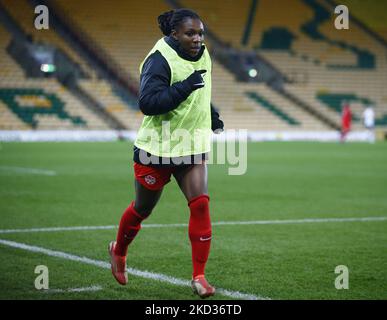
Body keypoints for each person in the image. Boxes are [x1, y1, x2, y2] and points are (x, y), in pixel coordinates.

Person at [108, 8, 224, 299]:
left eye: (200, 33)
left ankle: (199, 276)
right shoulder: (159, 59)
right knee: (142, 209)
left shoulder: (204, 53)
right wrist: (185, 87)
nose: (197, 38)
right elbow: (148, 103)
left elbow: (201, 92)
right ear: (174, 34)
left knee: (200, 204)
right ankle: (119, 250)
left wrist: (211, 115)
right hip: (155, 150)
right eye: (190, 33)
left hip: (191, 146)